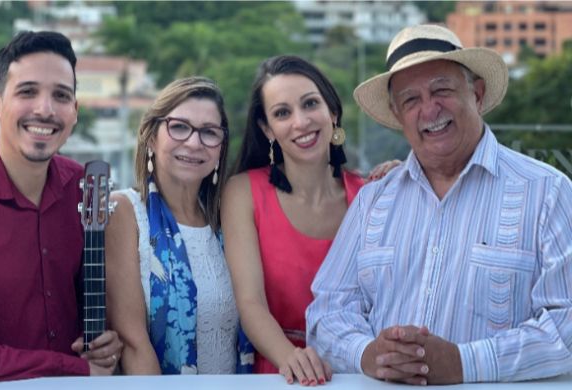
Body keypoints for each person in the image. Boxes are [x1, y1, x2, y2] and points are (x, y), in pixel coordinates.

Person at [307, 24, 572, 385]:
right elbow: (326, 311)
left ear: (476, 94)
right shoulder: (372, 201)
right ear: (398, 115)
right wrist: (369, 354)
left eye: (441, 90)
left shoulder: (548, 192)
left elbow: (567, 322)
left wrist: (465, 363)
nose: (430, 110)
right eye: (411, 100)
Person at [0, 31, 122, 385]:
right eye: (27, 91)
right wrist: (68, 367)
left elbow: (93, 312)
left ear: (75, 112)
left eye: (61, 96)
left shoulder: (81, 189)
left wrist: (105, 340)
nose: (45, 109)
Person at [221, 55, 399, 386]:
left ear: (332, 112)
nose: (301, 122)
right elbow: (250, 302)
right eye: (282, 113)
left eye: (310, 104)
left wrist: (406, 182)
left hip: (355, 373)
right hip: (280, 372)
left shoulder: (370, 195)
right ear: (267, 129)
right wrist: (291, 357)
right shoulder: (243, 192)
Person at [106, 77, 250, 375]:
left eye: (209, 132)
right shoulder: (126, 212)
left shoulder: (230, 219)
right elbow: (133, 342)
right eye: (179, 127)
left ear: (221, 148)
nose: (194, 143)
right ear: (151, 137)